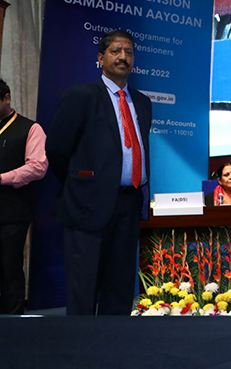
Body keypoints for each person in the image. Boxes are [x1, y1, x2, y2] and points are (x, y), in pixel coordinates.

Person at [46, 30, 152, 316]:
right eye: (116, 51)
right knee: (83, 290)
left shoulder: (142, 102)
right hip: (88, 206)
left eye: (128, 52)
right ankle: (81, 345)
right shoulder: (80, 96)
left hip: (129, 204)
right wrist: (82, 184)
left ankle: (115, 343)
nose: (123, 57)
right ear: (100, 58)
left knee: (120, 289)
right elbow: (56, 149)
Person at [0, 78, 48, 314]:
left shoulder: (30, 128)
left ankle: (13, 320)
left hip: (11, 212)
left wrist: (2, 178)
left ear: (6, 98)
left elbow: (38, 167)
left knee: (9, 268)